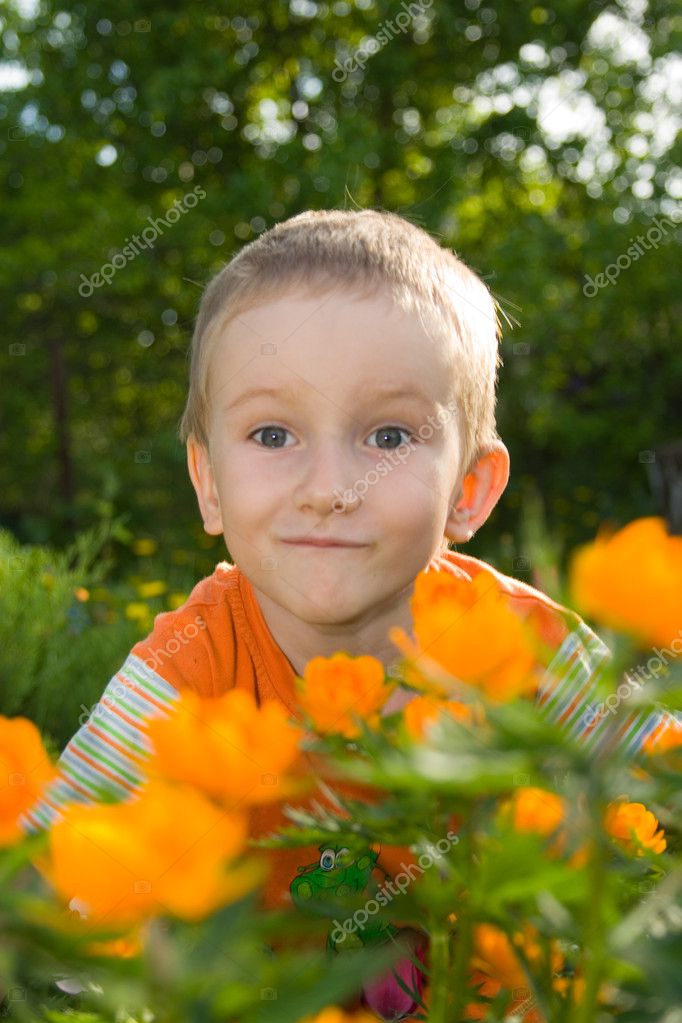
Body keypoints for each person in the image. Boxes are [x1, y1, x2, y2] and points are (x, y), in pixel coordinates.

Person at [20, 209, 667, 1020]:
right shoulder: (189, 664)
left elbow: (661, 804)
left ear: (468, 488)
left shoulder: (529, 650)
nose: (329, 487)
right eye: (272, 433)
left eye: (388, 434)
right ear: (208, 481)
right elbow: (39, 872)